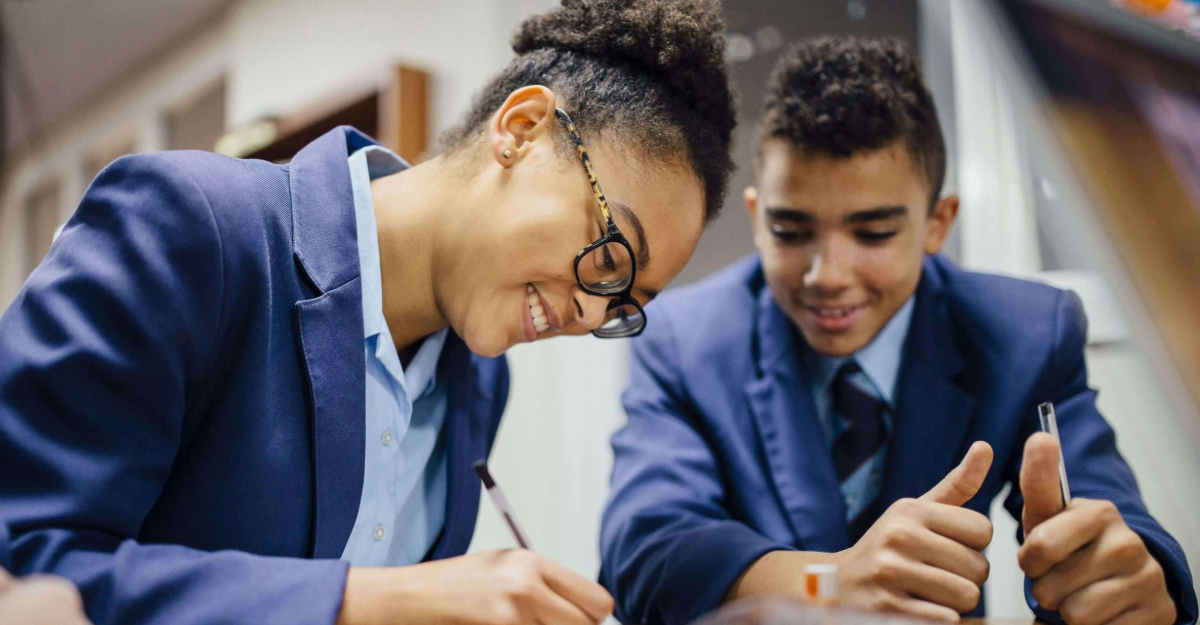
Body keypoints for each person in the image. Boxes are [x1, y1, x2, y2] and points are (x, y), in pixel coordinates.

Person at [0, 1, 736, 624]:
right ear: (521, 128)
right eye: (610, 257)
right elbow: (27, 558)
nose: (589, 313)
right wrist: (370, 600)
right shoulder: (191, 226)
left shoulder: (480, 381)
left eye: (624, 306)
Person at [599, 36, 1196, 625]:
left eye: (874, 233)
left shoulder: (1027, 334)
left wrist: (1127, 579)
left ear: (938, 223)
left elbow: (1110, 515)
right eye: (791, 232)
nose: (827, 276)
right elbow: (644, 555)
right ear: (758, 219)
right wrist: (827, 583)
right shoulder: (682, 340)